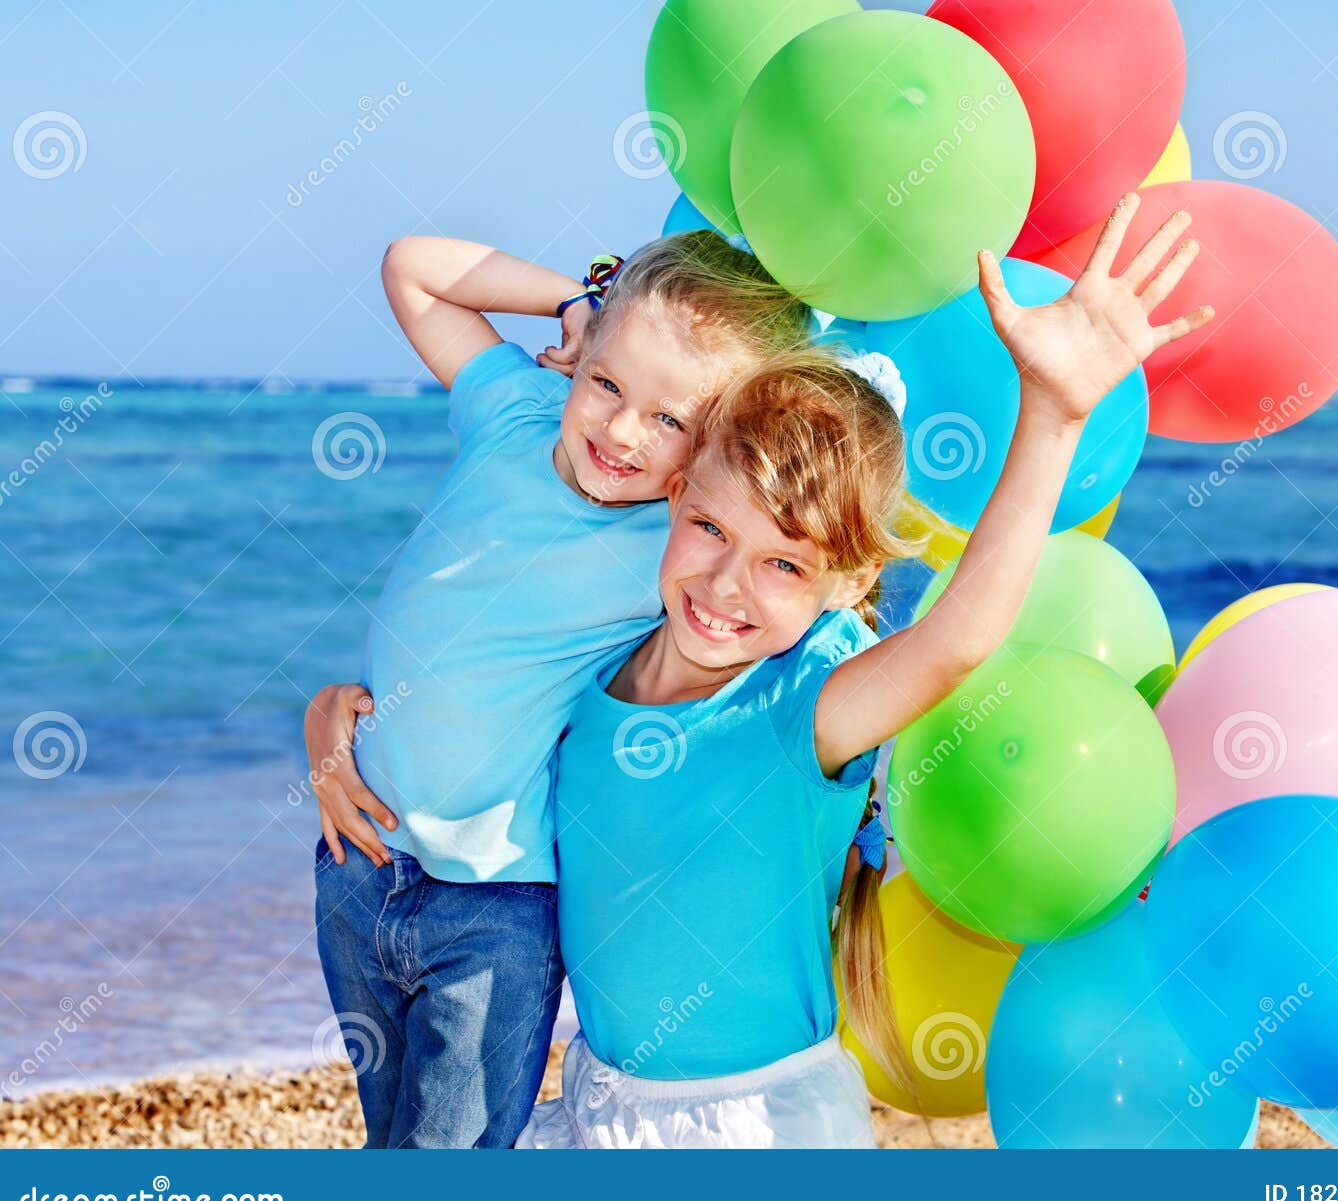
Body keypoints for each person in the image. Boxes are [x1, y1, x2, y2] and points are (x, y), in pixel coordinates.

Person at [523, 193, 1214, 1148]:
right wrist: (340, 720)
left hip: (751, 1131)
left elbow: (957, 637)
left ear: (843, 582)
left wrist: (1053, 413)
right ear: (675, 492)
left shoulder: (799, 711)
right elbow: (462, 687)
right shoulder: (589, 671)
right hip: (595, 1107)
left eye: (784, 564)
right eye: (713, 529)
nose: (726, 584)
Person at [305, 228, 813, 1147]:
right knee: (388, 1136)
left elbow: (801, 584)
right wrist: (581, 299)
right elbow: (410, 266)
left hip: (493, 910)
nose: (620, 430)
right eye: (609, 382)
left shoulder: (679, 538)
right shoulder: (518, 410)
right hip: (356, 865)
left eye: (670, 421)